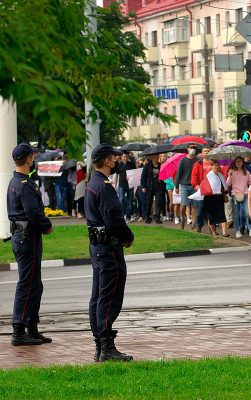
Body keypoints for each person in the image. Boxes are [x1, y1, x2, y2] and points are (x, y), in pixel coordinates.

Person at [85, 144, 134, 362]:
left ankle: (100, 344)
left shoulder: (92, 183)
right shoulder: (104, 186)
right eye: (114, 158)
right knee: (110, 295)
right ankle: (106, 347)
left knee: (98, 295)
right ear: (106, 161)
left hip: (98, 246)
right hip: (108, 247)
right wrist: (127, 237)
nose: (116, 162)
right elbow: (114, 218)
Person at [7, 143, 54, 346]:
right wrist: (47, 225)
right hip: (28, 237)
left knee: (34, 283)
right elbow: (33, 212)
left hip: (22, 236)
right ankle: (19, 330)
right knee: (27, 284)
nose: (33, 159)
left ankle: (32, 328)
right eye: (32, 156)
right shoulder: (25, 184)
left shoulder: (15, 181)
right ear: (28, 160)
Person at [228, 156, 251, 238]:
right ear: (235, 163)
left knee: (247, 213)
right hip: (235, 195)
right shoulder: (232, 172)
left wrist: (250, 191)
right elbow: (228, 184)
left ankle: (250, 229)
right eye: (237, 161)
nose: (238, 163)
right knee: (236, 215)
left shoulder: (246, 172)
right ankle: (237, 231)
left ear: (242, 162)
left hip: (245, 194)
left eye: (240, 161)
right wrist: (229, 175)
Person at [202, 160, 229, 236]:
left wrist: (225, 191)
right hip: (210, 198)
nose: (217, 167)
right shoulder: (208, 176)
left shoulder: (221, 175)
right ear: (211, 166)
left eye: (218, 165)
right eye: (215, 165)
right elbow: (206, 186)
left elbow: (225, 186)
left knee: (222, 214)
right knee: (211, 215)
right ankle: (213, 231)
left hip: (219, 197)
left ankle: (224, 232)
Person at [175, 144, 199, 230]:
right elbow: (178, 174)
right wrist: (176, 186)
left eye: (194, 148)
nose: (193, 150)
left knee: (194, 206)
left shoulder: (197, 160)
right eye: (192, 148)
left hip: (194, 186)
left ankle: (193, 224)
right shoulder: (183, 160)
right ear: (188, 149)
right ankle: (182, 219)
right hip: (184, 185)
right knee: (183, 205)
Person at [140, 153, 162, 224]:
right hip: (149, 187)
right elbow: (143, 176)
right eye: (155, 157)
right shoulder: (147, 165)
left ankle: (157, 217)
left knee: (158, 202)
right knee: (149, 202)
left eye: (157, 157)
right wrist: (143, 186)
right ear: (152, 158)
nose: (156, 158)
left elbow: (162, 175)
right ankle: (147, 217)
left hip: (158, 187)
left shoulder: (160, 165)